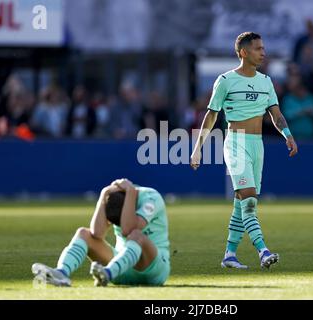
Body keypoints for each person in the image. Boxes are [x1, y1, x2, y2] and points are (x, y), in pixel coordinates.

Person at [190, 32, 298, 269]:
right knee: (249, 199)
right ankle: (263, 251)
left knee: (242, 202)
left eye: (263, 48)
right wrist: (198, 148)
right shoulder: (225, 80)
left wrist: (288, 136)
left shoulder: (266, 81)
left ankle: (229, 255)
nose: (263, 53)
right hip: (235, 143)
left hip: (257, 145)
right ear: (243, 52)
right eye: (258, 48)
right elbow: (211, 115)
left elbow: (276, 114)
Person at [31, 178, 170, 287]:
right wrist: (104, 194)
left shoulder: (152, 198)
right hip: (121, 267)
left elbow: (128, 229)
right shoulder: (114, 198)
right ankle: (61, 273)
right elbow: (97, 233)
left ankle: (107, 274)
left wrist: (130, 192)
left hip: (153, 269)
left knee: (136, 236)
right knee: (83, 233)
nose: (118, 227)